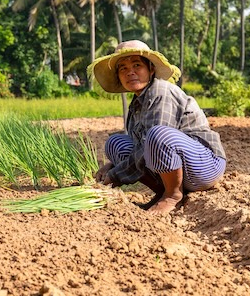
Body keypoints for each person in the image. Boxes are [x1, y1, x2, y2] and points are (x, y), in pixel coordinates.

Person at [87, 40, 226, 215]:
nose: (130, 72)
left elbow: (153, 142)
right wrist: (113, 166)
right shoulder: (138, 102)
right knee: (116, 143)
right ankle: (163, 191)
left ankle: (172, 194)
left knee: (158, 134)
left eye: (137, 65)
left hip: (204, 165)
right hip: (178, 163)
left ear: (151, 69)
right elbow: (140, 147)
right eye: (123, 68)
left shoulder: (161, 91)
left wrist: (116, 174)